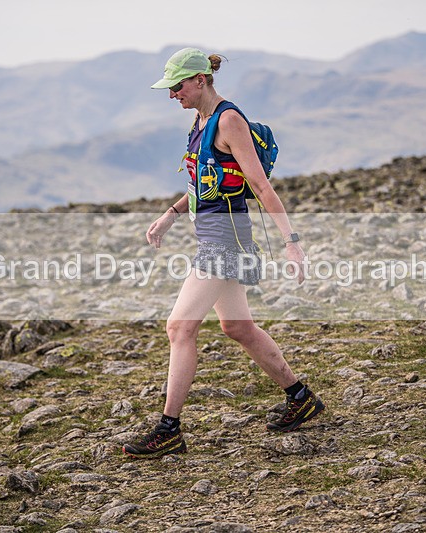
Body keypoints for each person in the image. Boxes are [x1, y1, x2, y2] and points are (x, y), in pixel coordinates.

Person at [122, 48, 325, 459]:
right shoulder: (199, 123)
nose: (171, 94)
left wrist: (292, 241)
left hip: (226, 242)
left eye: (177, 85)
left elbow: (261, 187)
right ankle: (301, 397)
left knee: (179, 329)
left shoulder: (230, 121)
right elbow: (205, 183)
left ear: (200, 79)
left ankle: (169, 429)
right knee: (238, 328)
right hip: (213, 236)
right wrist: (170, 215)